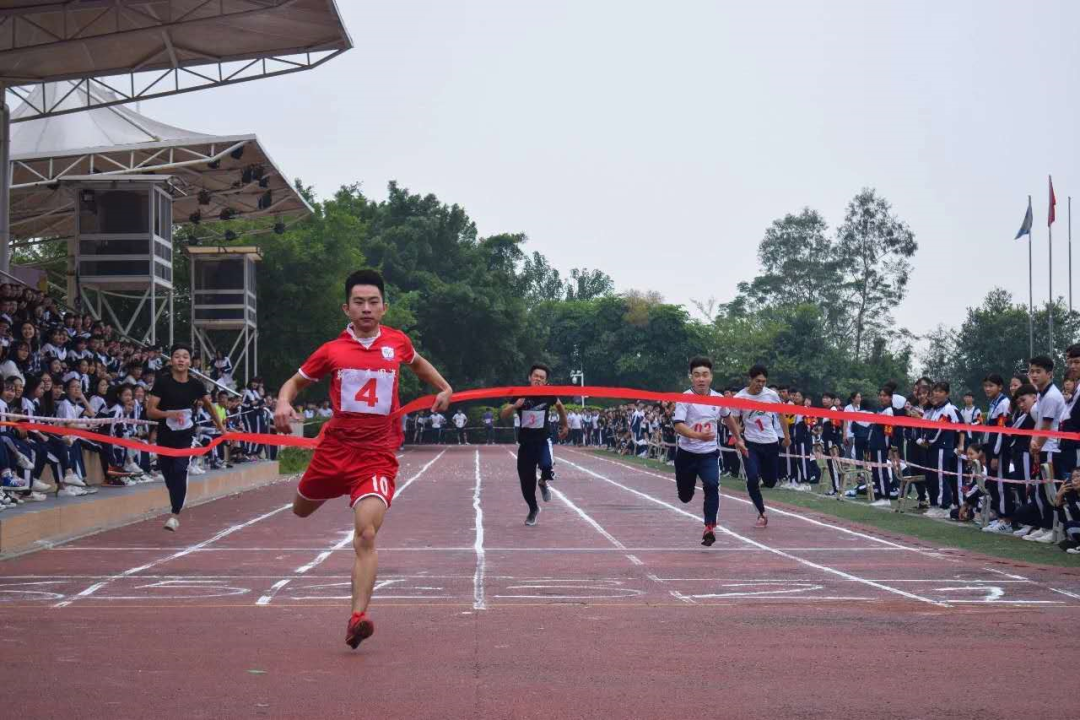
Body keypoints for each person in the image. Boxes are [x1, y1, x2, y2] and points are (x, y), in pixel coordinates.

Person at [274, 269, 452, 650]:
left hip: (376, 456)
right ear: (347, 308)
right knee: (300, 510)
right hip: (334, 452)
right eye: (359, 302)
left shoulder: (397, 342)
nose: (366, 309)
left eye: (373, 302)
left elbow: (418, 363)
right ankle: (336, 489)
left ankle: (357, 618)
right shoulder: (331, 351)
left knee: (366, 535)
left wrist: (443, 387)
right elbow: (294, 382)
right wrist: (283, 401)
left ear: (384, 307)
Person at [146, 344, 226, 532]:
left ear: (190, 361)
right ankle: (176, 499)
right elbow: (150, 411)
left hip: (186, 436)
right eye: (177, 356)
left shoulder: (196, 384)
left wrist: (221, 427)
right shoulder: (162, 383)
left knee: (180, 469)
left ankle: (175, 515)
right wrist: (169, 414)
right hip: (165, 436)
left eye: (185, 356)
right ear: (171, 361)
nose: (181, 360)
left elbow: (209, 406)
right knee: (169, 475)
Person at [672, 356, 746, 546]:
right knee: (685, 497)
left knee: (712, 485)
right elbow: (678, 425)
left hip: (709, 454)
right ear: (691, 377)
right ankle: (687, 492)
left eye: (705, 375)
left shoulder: (718, 399)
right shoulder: (685, 398)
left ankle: (709, 527)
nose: (701, 379)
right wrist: (697, 436)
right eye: (697, 375)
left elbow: (728, 418)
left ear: (711, 377)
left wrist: (738, 439)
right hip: (687, 454)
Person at [500, 363, 568, 526]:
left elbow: (559, 406)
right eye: (536, 376)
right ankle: (533, 509)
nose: (538, 379)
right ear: (529, 378)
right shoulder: (520, 394)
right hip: (526, 444)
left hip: (543, 440)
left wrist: (565, 425)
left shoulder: (549, 394)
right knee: (526, 482)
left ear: (546, 381)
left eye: (542, 378)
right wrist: (515, 406)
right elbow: (503, 415)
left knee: (547, 465)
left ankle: (543, 481)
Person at [733, 364, 790, 528]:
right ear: (750, 379)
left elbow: (781, 416)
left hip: (770, 443)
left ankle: (759, 482)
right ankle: (761, 512)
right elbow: (734, 422)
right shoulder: (739, 398)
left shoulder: (771, 395)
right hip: (750, 443)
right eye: (757, 381)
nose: (760, 384)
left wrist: (787, 437)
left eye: (763, 381)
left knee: (771, 481)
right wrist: (738, 440)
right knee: (752, 478)